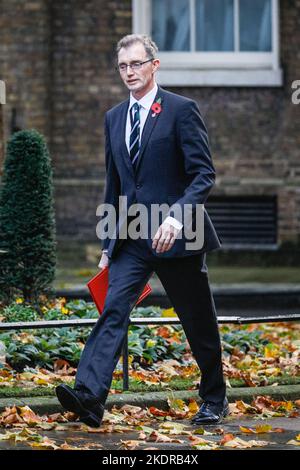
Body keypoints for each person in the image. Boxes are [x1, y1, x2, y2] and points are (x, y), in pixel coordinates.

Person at [56, 34, 229, 428]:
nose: (130, 72)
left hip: (178, 235)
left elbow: (203, 175)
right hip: (132, 237)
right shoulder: (114, 117)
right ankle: (89, 397)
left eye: (136, 64)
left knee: (196, 318)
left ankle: (214, 398)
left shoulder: (182, 111)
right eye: (123, 66)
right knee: (113, 309)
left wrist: (175, 218)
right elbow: (114, 184)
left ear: (154, 64)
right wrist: (107, 244)